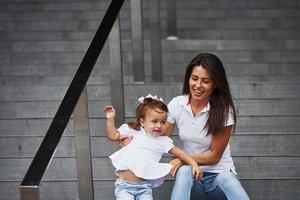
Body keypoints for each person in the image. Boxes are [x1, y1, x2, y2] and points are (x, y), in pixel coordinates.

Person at [165, 53, 251, 200]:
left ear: (215, 84)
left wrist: (182, 159)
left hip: (219, 176)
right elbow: (159, 139)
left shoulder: (224, 109)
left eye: (205, 81)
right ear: (188, 78)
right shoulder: (177, 104)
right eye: (194, 78)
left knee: (227, 179)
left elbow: (214, 156)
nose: (198, 85)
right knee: (184, 171)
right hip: (193, 177)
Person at [104, 94, 202, 200]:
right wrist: (110, 119)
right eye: (154, 121)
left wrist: (193, 163)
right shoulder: (133, 131)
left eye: (163, 122)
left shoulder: (163, 141)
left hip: (144, 188)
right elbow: (112, 135)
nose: (159, 125)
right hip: (124, 187)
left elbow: (179, 153)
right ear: (142, 122)